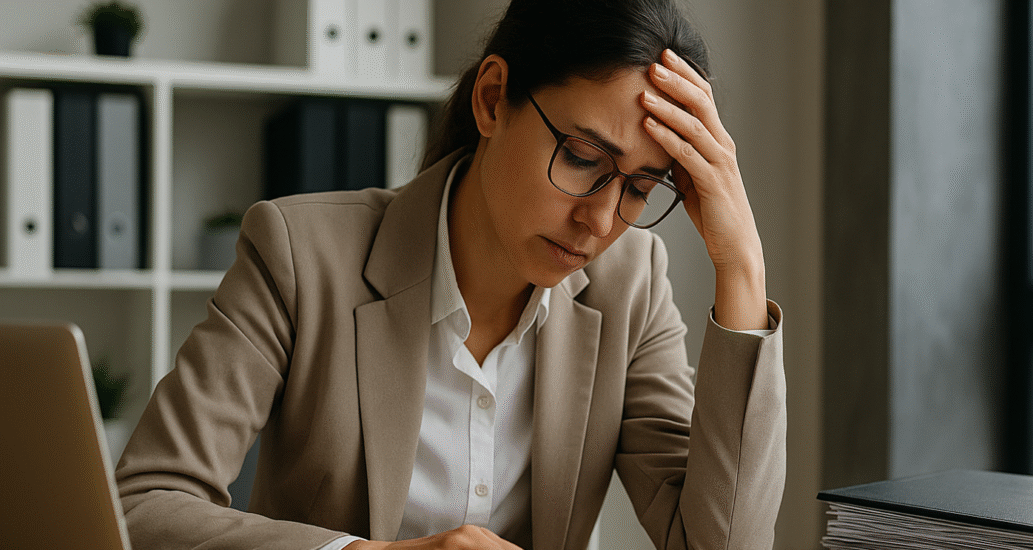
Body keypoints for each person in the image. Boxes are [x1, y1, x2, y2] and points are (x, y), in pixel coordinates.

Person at [115, 0, 786, 548]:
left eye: (641, 186)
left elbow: (721, 544)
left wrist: (742, 264)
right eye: (582, 158)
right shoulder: (300, 255)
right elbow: (142, 508)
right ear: (493, 99)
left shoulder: (630, 285)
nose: (602, 221)